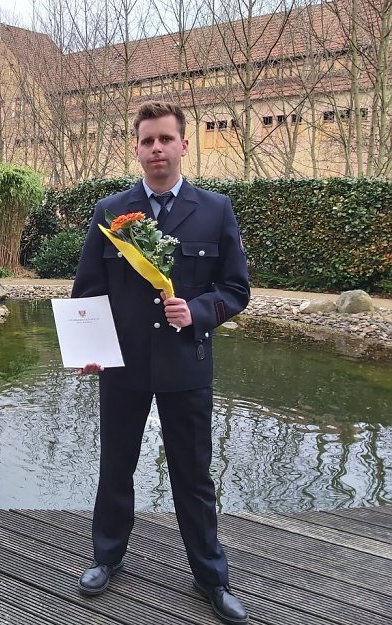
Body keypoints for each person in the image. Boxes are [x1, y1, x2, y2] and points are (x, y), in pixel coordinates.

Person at [72, 101, 250, 625]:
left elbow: (235, 289)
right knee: (116, 468)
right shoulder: (110, 211)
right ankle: (107, 558)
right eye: (147, 140)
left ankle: (211, 576)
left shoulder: (216, 210)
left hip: (186, 367)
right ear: (136, 147)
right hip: (122, 368)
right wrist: (88, 352)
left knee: (193, 476)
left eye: (165, 139)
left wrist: (194, 311)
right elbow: (89, 292)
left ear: (183, 145)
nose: (156, 149)